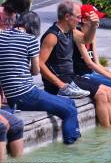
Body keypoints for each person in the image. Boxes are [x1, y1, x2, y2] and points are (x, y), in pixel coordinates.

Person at [0, 12, 81, 145]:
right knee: (69, 111)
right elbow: (36, 70)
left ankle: (75, 135)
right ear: (34, 27)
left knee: (70, 103)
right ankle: (71, 146)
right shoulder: (30, 40)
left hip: (11, 95)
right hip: (26, 94)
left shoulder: (2, 37)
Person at [40, 0, 111, 127]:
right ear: (67, 17)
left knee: (109, 90)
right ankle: (108, 134)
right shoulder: (52, 36)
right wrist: (60, 85)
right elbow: (40, 64)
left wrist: (93, 26)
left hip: (70, 78)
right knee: (102, 93)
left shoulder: (72, 31)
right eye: (78, 17)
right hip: (59, 83)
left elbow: (87, 39)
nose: (80, 20)